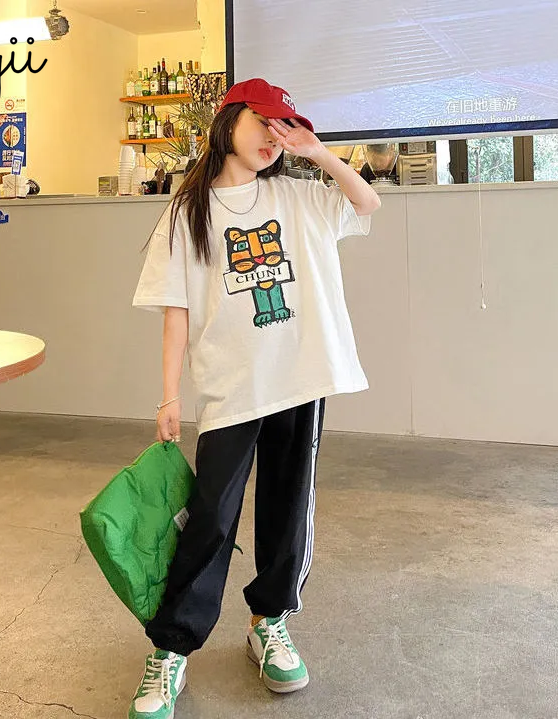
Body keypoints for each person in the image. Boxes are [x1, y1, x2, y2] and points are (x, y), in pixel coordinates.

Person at [130, 77, 380, 718]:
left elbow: (367, 202)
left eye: (283, 127)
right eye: (262, 123)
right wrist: (168, 396)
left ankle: (268, 621)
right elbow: (177, 311)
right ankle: (172, 647)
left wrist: (318, 153)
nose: (273, 138)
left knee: (286, 510)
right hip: (231, 387)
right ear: (227, 123)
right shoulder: (188, 212)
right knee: (210, 518)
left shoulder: (298, 196)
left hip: (299, 380)